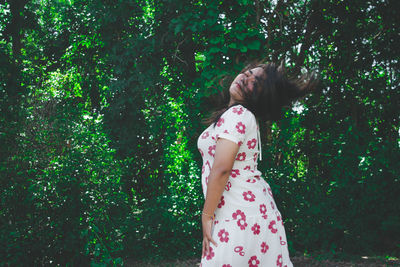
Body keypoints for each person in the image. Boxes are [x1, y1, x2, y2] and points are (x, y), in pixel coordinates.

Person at [197, 60, 319, 266]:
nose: (246, 77)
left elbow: (221, 168)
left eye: (256, 81)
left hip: (240, 216)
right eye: (248, 72)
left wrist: (207, 215)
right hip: (244, 214)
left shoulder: (238, 114)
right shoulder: (237, 116)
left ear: (262, 97)